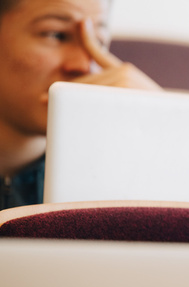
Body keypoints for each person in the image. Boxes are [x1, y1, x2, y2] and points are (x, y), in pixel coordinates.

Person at [0, 0, 160, 210]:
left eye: (98, 41)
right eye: (56, 35)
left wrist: (162, 134)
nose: (85, 65)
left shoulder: (113, 181)